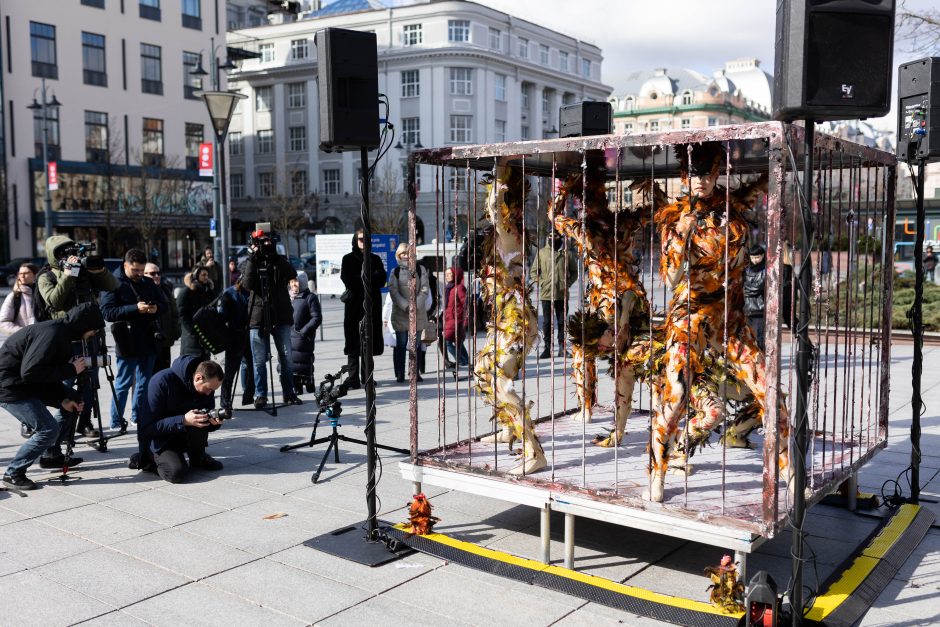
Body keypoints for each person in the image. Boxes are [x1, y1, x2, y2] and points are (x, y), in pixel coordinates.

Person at [0, 303, 105, 490]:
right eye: (94, 330)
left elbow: (46, 372)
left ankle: (51, 455)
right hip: (10, 387)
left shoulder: (62, 333)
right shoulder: (53, 333)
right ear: (85, 325)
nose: (93, 335)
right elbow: (30, 372)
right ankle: (13, 473)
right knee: (48, 429)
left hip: (26, 384)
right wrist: (71, 369)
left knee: (74, 401)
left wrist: (62, 398)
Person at [38, 235, 119, 439]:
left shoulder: (84, 272)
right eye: (63, 252)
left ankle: (85, 423)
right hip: (65, 342)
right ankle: (63, 429)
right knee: (65, 385)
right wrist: (67, 275)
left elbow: (112, 285)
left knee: (90, 384)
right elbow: (54, 301)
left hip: (89, 338)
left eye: (71, 251)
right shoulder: (46, 276)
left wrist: (99, 270)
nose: (70, 256)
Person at [100, 248, 167, 430]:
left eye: (141, 270)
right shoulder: (113, 283)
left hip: (148, 339)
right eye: (135, 270)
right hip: (126, 339)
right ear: (125, 265)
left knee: (144, 383)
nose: (139, 274)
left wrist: (156, 309)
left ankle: (138, 417)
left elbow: (164, 304)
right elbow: (107, 312)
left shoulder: (148, 282)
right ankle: (115, 420)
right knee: (123, 383)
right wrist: (134, 308)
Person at [136, 356, 225, 484]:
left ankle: (198, 457)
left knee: (199, 418)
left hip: (183, 434)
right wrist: (183, 420)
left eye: (213, 390)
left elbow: (206, 419)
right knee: (176, 473)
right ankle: (148, 461)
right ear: (198, 377)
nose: (209, 393)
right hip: (161, 440)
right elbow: (147, 428)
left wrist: (214, 423)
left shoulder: (206, 390)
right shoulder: (161, 381)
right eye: (209, 388)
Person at [241, 229, 300, 407]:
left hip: (280, 315)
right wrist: (253, 258)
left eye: (269, 242)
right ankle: (261, 395)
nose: (266, 245)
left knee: (286, 356)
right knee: (259, 359)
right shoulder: (249, 262)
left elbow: (291, 273)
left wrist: (274, 256)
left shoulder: (278, 260)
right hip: (257, 317)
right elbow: (247, 284)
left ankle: (289, 392)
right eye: (262, 242)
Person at [340, 229, 386, 389]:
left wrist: (365, 277)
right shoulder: (348, 259)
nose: (363, 242)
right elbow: (347, 279)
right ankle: (352, 377)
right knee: (353, 344)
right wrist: (367, 278)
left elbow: (382, 278)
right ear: (355, 240)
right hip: (354, 308)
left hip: (371, 308)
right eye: (360, 239)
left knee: (368, 343)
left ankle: (367, 377)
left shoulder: (375, 258)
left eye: (366, 239)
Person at [530, 232, 578, 358]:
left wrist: (567, 284)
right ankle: (547, 348)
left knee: (562, 322)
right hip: (546, 294)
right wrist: (542, 282)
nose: (552, 238)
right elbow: (534, 272)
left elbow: (574, 272)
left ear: (560, 238)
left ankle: (562, 347)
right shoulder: (542, 253)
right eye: (550, 236)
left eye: (555, 236)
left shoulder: (567, 253)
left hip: (562, 294)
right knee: (547, 322)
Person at [388, 243, 429, 383]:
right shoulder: (395, 271)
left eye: (408, 253)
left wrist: (415, 305)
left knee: (415, 345)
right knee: (401, 344)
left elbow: (424, 289)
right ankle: (400, 372)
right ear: (398, 256)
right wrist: (406, 306)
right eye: (403, 254)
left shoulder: (420, 268)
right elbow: (393, 291)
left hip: (417, 313)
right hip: (401, 313)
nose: (406, 256)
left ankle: (414, 371)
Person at [219, 276, 254, 411]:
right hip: (235, 336)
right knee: (230, 372)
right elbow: (222, 316)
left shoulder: (252, 292)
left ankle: (248, 396)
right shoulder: (230, 293)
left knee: (253, 368)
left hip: (249, 334)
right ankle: (225, 402)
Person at [289, 273, 322, 395]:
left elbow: (316, 317)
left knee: (305, 360)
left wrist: (304, 331)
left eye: (296, 281)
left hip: (304, 337)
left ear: (302, 282)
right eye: (291, 282)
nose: (293, 284)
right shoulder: (289, 297)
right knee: (292, 362)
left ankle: (309, 381)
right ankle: (296, 385)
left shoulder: (310, 297)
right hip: (290, 336)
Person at [145, 263, 181, 374]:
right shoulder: (141, 291)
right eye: (152, 273)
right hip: (149, 344)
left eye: (158, 273)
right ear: (144, 274)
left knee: (164, 373)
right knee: (147, 376)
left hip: (165, 340)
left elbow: (175, 313)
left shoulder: (165, 289)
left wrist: (176, 332)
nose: (156, 275)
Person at [177, 266, 216, 360]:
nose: (206, 277)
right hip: (191, 338)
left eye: (207, 275)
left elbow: (213, 311)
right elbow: (182, 314)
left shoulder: (209, 292)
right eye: (203, 275)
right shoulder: (186, 292)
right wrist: (192, 330)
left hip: (205, 336)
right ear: (196, 276)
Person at [0, 263, 38, 338]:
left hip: (43, 340)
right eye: (20, 273)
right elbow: (3, 322)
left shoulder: (43, 294)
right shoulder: (14, 296)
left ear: (35, 274)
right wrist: (25, 333)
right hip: (24, 342)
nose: (22, 276)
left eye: (26, 273)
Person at [443, 266, 470, 367]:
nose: (448, 276)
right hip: (449, 319)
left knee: (448, 342)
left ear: (456, 275)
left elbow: (466, 304)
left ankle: (461, 360)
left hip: (456, 319)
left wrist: (465, 320)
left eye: (450, 274)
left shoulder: (459, 287)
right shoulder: (448, 287)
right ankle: (465, 360)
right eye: (446, 274)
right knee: (457, 341)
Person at [743, 244, 767, 352]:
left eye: (757, 257)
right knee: (748, 339)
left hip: (759, 310)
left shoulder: (766, 270)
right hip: (747, 309)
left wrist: (744, 288)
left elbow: (757, 287)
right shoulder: (747, 270)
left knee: (759, 339)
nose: (755, 260)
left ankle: (762, 361)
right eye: (753, 257)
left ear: (762, 256)